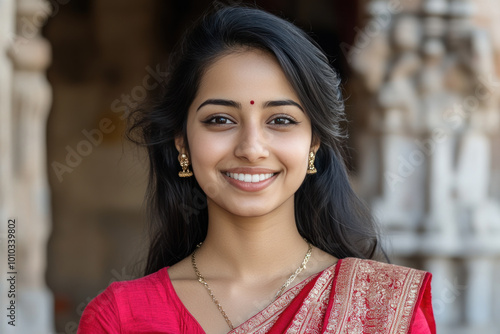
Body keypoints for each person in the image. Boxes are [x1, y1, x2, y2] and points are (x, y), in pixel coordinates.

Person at [77, 4, 435, 334]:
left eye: (280, 120)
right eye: (220, 119)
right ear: (181, 142)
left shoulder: (384, 310)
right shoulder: (119, 318)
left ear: (314, 143)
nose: (251, 148)